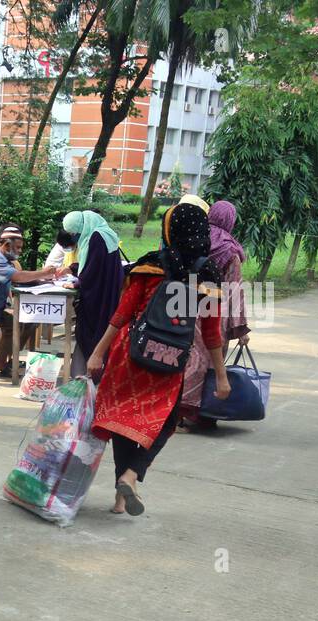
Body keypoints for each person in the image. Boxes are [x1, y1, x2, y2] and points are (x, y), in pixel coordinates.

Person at [85, 203, 231, 516]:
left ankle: (120, 500)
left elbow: (122, 314)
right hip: (170, 358)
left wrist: (98, 352)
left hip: (130, 353)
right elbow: (211, 333)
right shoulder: (206, 275)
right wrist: (221, 375)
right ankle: (132, 475)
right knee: (165, 423)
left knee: (124, 421)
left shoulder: (150, 266)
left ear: (169, 231)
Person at [0, 224, 67, 387]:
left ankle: (1, 363)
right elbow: (17, 276)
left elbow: (18, 277)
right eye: (17, 248)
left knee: (28, 321)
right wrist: (45, 272)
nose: (20, 251)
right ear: (6, 244)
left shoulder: (3, 256)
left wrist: (43, 279)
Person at [180, 199, 250, 430]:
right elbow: (234, 292)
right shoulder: (230, 252)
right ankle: (202, 413)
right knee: (211, 363)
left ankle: (179, 411)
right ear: (230, 221)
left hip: (184, 309)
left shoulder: (192, 240)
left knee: (187, 360)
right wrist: (240, 328)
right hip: (213, 314)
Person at [60, 210, 124, 380]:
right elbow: (95, 264)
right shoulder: (103, 233)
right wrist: (74, 268)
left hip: (97, 298)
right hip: (106, 292)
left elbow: (93, 272)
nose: (75, 237)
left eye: (75, 233)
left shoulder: (96, 237)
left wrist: (76, 282)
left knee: (90, 333)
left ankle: (88, 376)